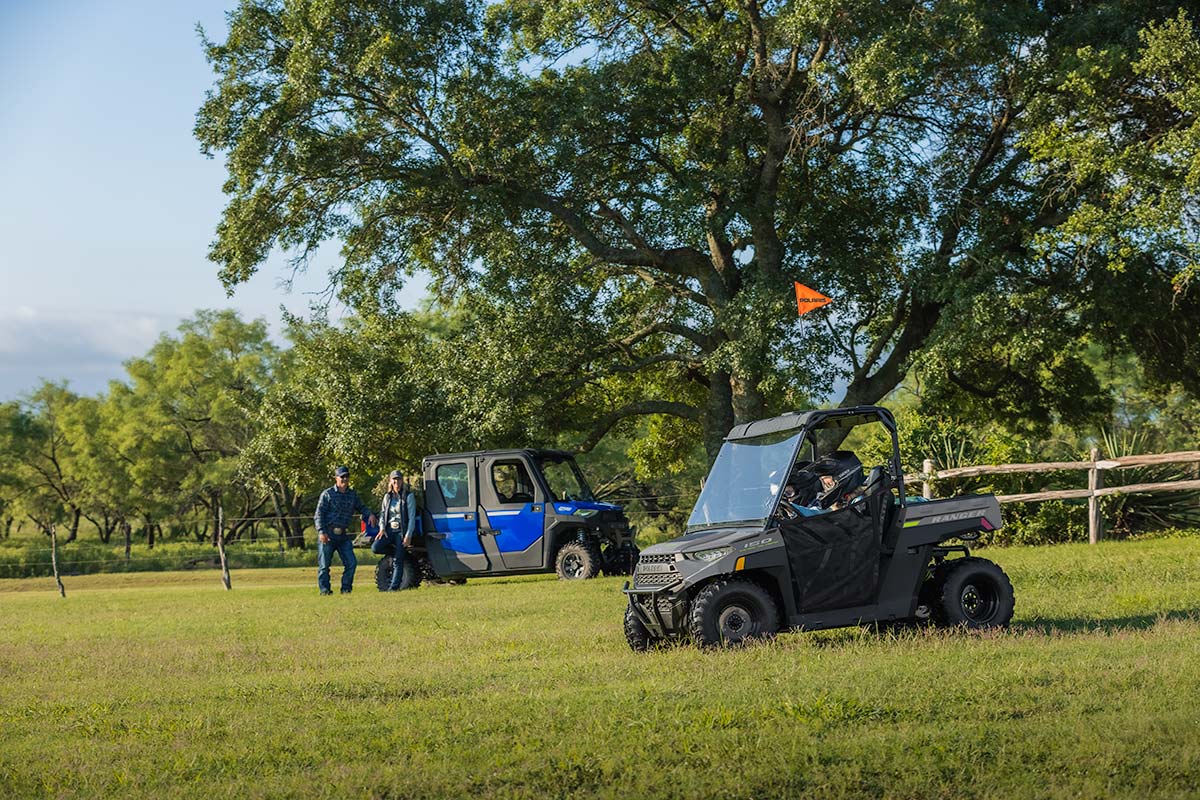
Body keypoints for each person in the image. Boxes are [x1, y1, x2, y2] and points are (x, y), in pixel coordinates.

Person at [314, 466, 377, 595]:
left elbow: (362, 507)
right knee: (324, 566)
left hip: (343, 535)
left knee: (351, 563)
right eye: (342, 476)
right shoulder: (327, 494)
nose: (345, 479)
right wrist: (321, 532)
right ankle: (325, 591)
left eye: (347, 476)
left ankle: (346, 589)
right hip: (328, 534)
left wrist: (369, 514)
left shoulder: (352, 494)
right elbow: (318, 514)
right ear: (336, 478)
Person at [372, 470, 419, 591]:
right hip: (389, 530)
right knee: (376, 547)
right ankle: (396, 552)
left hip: (401, 531)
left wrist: (408, 535)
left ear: (402, 481)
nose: (396, 482)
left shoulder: (408, 496)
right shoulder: (387, 497)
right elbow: (382, 514)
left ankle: (394, 587)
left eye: (398, 479)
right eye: (394, 479)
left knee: (398, 561)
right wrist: (382, 528)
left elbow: (412, 517)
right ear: (390, 481)